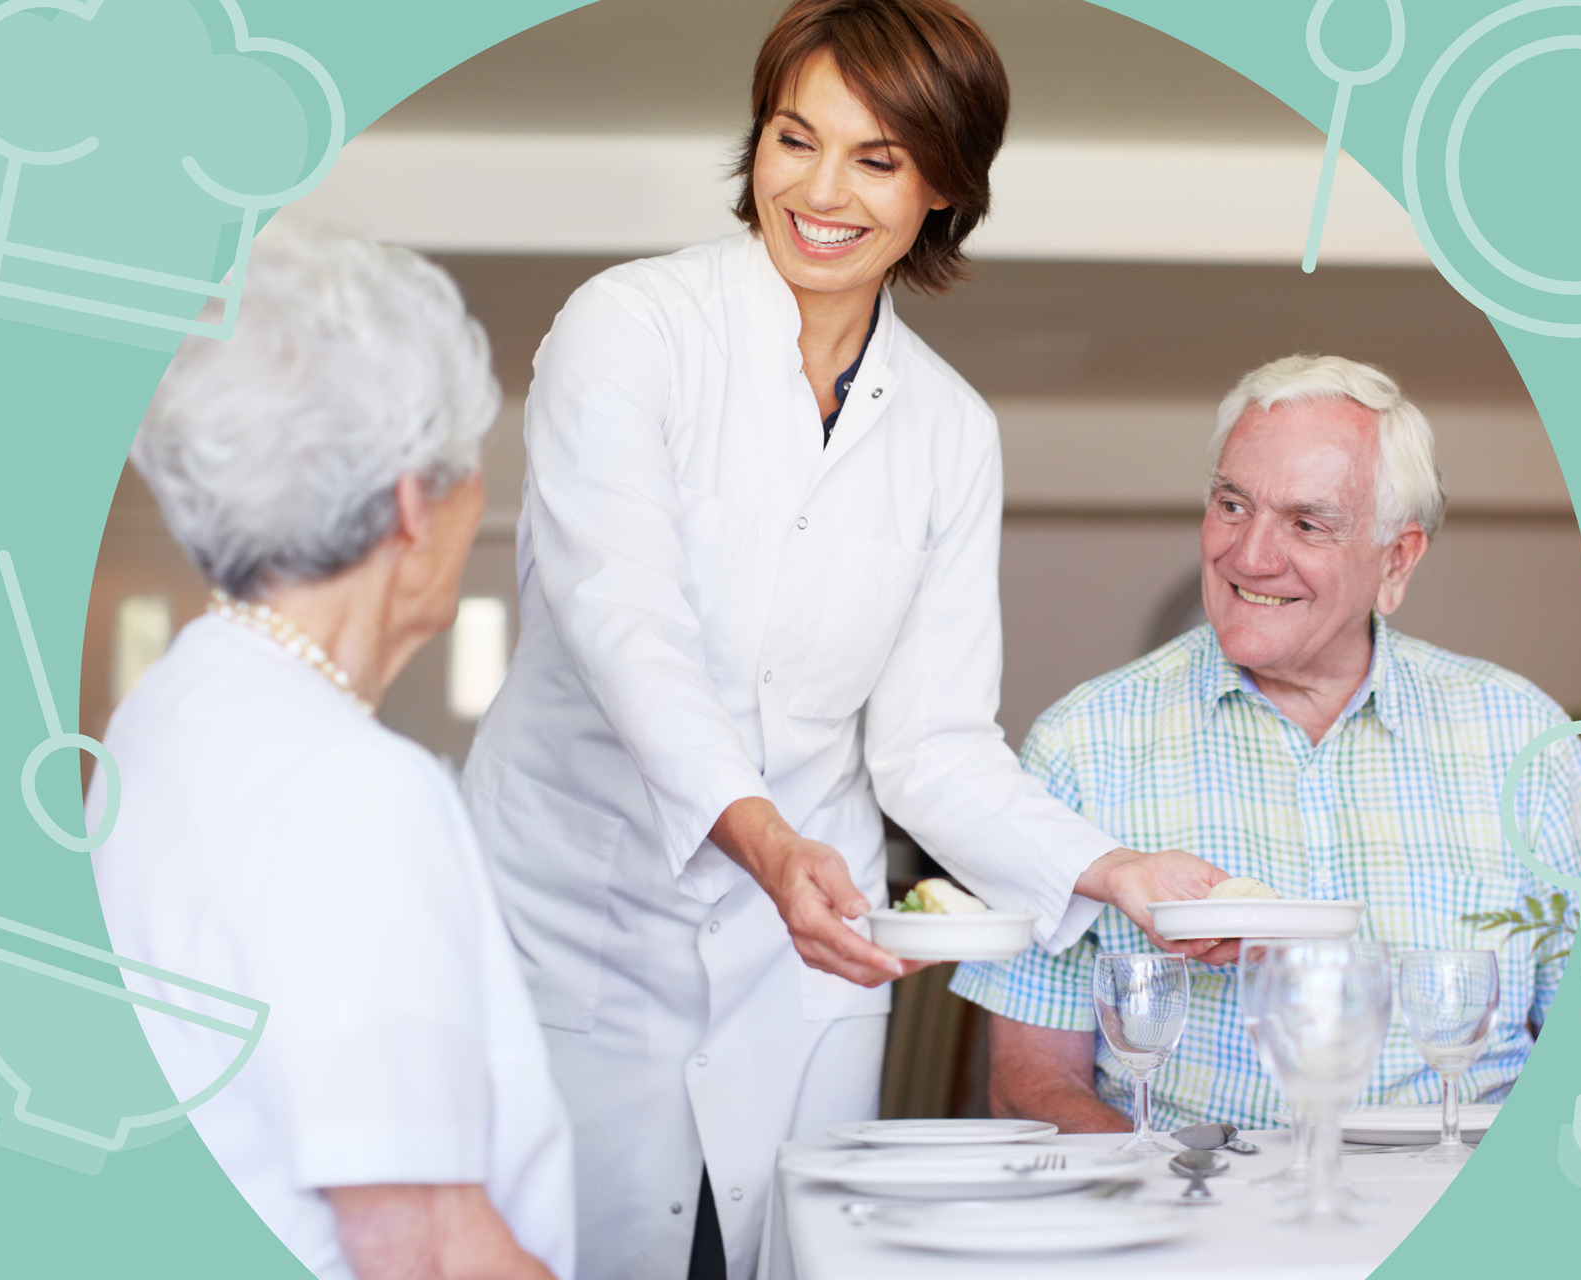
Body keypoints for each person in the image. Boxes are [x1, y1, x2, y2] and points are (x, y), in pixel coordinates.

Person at [462, 2, 1229, 1276]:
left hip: (801, 964)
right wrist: (766, 839)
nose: (819, 193)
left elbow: (934, 746)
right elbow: (624, 625)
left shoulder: (950, 430)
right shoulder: (630, 328)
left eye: (877, 159)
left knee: (776, 1251)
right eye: (793, 139)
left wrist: (1112, 870)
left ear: (944, 187)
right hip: (575, 928)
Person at [89, 224, 575, 1280]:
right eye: (468, 472)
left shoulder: (174, 703)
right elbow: (426, 1251)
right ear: (411, 504)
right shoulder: (351, 790)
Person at [952, 354, 1581, 1134]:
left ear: (1396, 561)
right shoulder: (1083, 742)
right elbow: (1031, 1083)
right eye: (1232, 505)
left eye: (1306, 523)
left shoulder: (1525, 742)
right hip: (1189, 1196)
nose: (1250, 556)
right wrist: (1180, 1193)